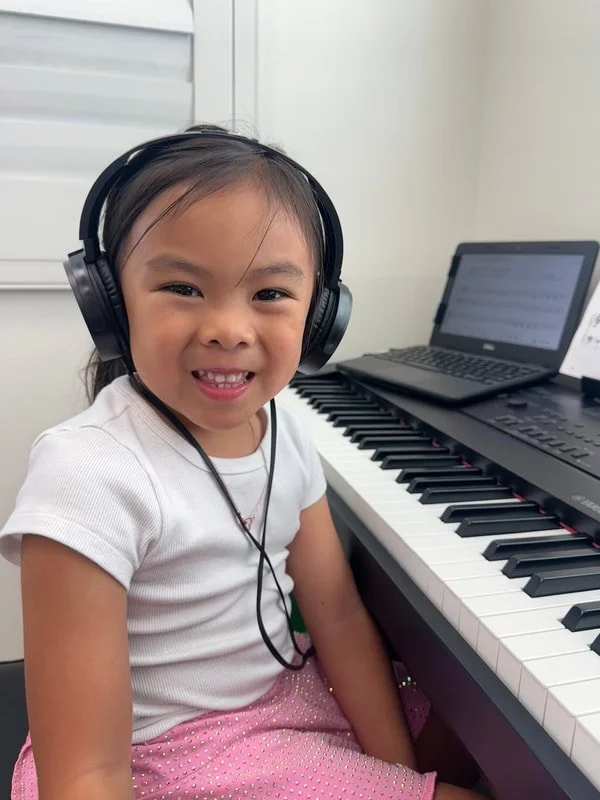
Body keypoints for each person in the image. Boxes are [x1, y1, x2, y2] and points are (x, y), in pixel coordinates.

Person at [0, 127, 484, 800]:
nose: (229, 330)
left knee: (482, 738)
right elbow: (86, 773)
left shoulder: (287, 432)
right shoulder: (88, 474)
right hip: (165, 754)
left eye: (270, 294)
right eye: (182, 287)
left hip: (284, 693)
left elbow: (337, 614)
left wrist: (398, 776)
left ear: (319, 315)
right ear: (110, 302)